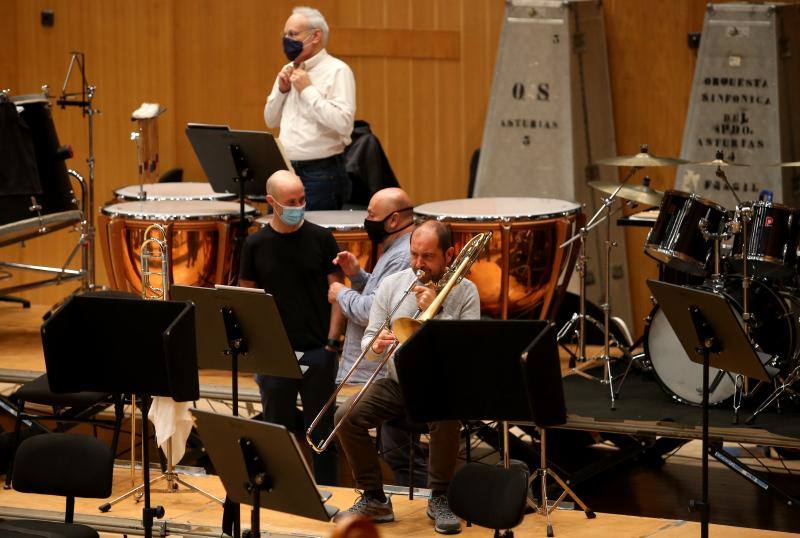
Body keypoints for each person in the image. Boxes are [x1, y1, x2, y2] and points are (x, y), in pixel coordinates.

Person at [334, 220, 481, 535]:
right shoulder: (392, 284)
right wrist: (375, 345)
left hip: (441, 384)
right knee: (345, 415)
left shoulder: (466, 291)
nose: (418, 264)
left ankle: (440, 496)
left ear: (450, 254)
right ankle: (374, 497)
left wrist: (436, 314)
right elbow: (369, 339)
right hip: (398, 381)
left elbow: (466, 352)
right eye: (414, 254)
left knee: (445, 414)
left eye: (427, 256)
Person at [239, 170, 345, 486]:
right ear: (272, 202)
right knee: (276, 432)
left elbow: (338, 293)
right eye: (291, 201)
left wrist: (332, 342)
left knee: (321, 433)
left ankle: (330, 493)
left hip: (318, 350)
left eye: (302, 199)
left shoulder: (322, 238)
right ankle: (277, 493)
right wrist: (259, 350)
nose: (300, 205)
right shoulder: (255, 244)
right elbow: (248, 297)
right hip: (274, 355)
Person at [328, 187, 428, 488]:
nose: (366, 220)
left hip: (384, 366)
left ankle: (424, 503)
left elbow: (375, 311)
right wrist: (358, 276)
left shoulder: (401, 255)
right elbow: (382, 293)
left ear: (393, 219)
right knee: (393, 448)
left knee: (400, 451)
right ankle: (378, 500)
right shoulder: (394, 249)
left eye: (371, 215)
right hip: (381, 364)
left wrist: (341, 293)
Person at [264, 6, 355, 210]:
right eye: (285, 34)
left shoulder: (337, 70)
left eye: (293, 34)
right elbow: (270, 120)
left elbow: (343, 124)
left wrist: (308, 90)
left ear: (316, 36)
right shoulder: (288, 70)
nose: (287, 40)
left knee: (313, 239)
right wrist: (282, 90)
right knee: (279, 236)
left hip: (321, 174)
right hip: (285, 171)